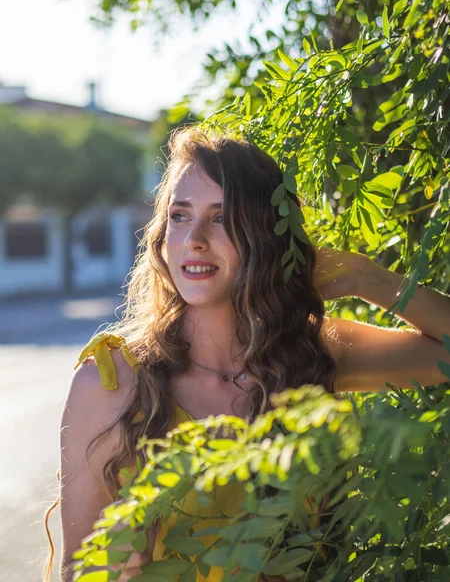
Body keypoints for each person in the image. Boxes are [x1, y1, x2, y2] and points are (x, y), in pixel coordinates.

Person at [42, 126, 450, 582]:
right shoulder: (109, 382)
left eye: (221, 217)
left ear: (265, 235)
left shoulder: (313, 355)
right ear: (161, 234)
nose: (194, 238)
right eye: (179, 215)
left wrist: (365, 278)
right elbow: (76, 570)